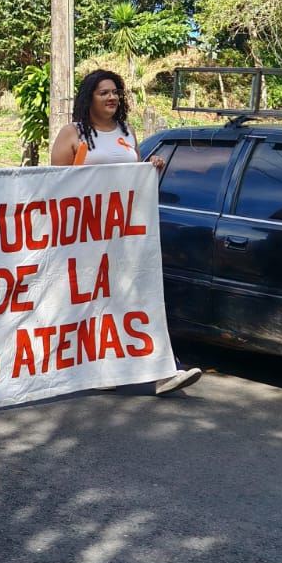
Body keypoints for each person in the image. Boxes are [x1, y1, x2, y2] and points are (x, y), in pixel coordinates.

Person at [51, 69, 201, 396]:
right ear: (89, 97)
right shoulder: (73, 134)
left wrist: (151, 166)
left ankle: (165, 370)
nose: (111, 97)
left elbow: (130, 179)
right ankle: (89, 369)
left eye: (115, 92)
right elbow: (54, 186)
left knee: (137, 298)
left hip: (124, 236)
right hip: (84, 238)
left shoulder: (126, 132)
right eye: (103, 92)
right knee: (88, 304)